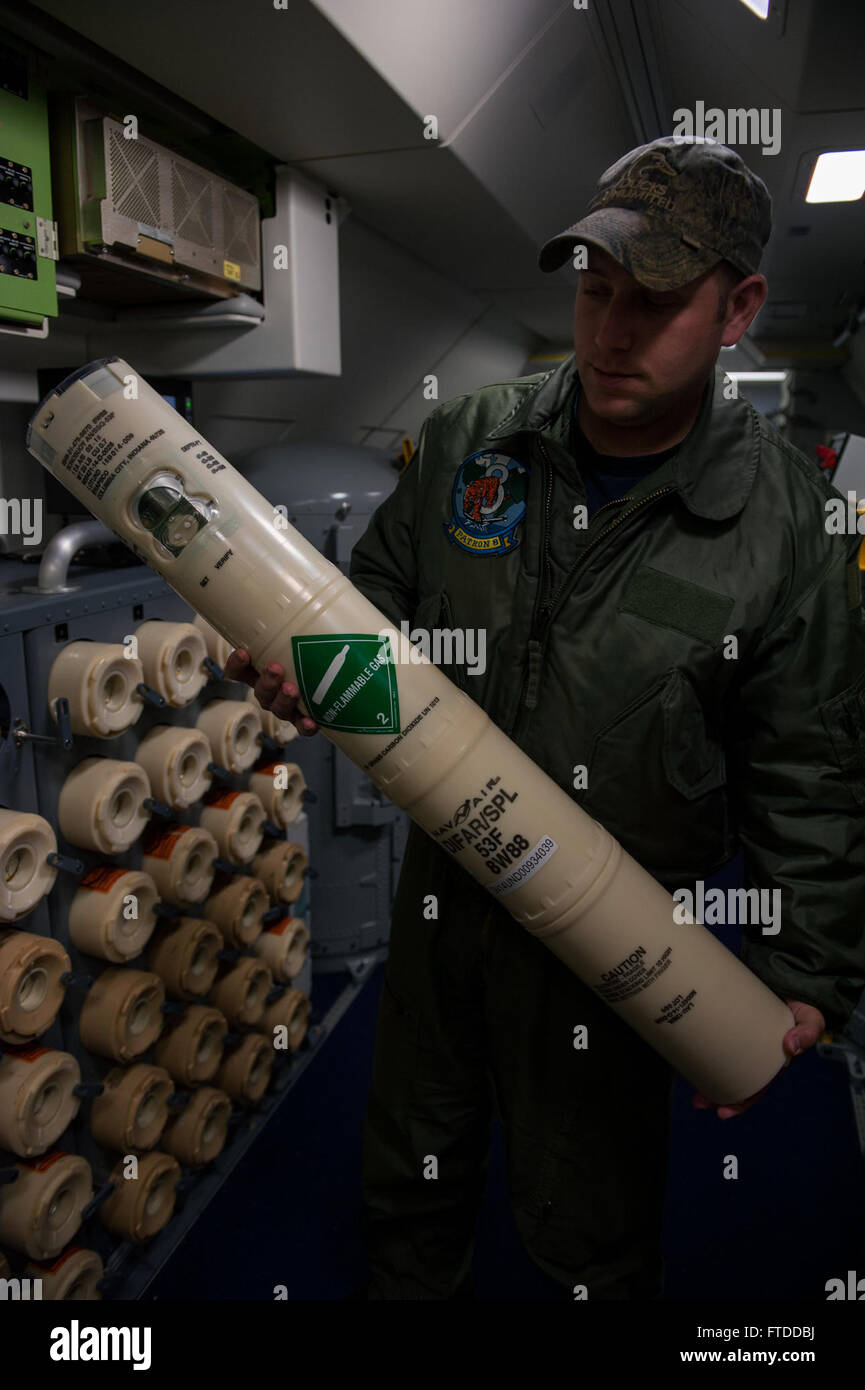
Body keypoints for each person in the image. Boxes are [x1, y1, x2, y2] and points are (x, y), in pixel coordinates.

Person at [224, 137, 865, 1300]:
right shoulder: (473, 441)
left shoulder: (785, 523)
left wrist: (799, 968)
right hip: (443, 900)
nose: (611, 330)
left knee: (587, 1227)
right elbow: (376, 596)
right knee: (408, 1189)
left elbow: (809, 764)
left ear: (739, 308)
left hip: (611, 936)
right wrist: (308, 667)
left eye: (656, 301)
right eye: (593, 290)